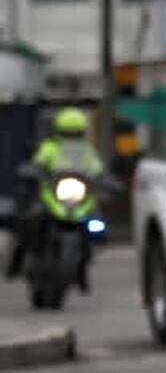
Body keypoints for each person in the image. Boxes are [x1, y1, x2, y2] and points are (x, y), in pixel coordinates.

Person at [8, 108, 105, 290]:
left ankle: (82, 268)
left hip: (77, 198)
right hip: (51, 195)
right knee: (28, 221)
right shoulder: (49, 147)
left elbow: (97, 169)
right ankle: (16, 263)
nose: (71, 137)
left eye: (75, 133)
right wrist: (35, 171)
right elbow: (38, 163)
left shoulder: (87, 151)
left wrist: (105, 179)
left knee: (96, 225)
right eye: (68, 133)